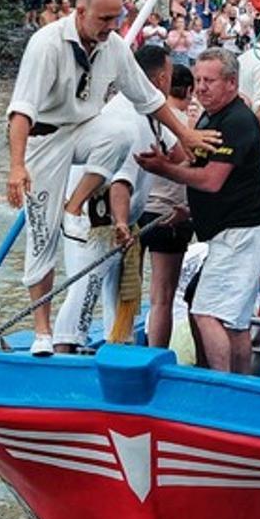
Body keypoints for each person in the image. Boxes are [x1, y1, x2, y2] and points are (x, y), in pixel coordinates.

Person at [5, 0, 218, 357]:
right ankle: (43, 333)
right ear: (80, 12)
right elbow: (21, 111)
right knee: (41, 239)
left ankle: (75, 204)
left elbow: (150, 99)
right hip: (44, 139)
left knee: (117, 133)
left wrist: (186, 135)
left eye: (116, 19)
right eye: (104, 19)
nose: (111, 27)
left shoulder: (114, 47)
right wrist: (16, 166)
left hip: (85, 130)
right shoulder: (47, 44)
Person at [134, 49, 260, 373]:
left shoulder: (237, 121)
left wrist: (163, 171)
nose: (201, 88)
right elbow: (191, 159)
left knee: (206, 313)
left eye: (209, 81)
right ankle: (239, 385)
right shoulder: (211, 116)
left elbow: (211, 181)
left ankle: (219, 383)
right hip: (229, 233)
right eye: (197, 80)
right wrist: (168, 162)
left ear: (232, 83)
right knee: (234, 322)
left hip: (241, 235)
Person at [52, 46, 176, 353]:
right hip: (96, 218)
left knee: (117, 288)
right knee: (86, 286)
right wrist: (121, 223)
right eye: (171, 76)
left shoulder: (150, 112)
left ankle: (116, 344)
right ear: (161, 79)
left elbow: (180, 153)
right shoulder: (125, 117)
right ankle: (64, 349)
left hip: (122, 218)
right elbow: (120, 182)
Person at [138, 63, 195, 349]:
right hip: (170, 216)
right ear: (189, 90)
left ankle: (121, 344)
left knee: (125, 290)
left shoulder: (145, 116)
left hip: (137, 212)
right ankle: (155, 353)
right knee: (162, 297)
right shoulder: (189, 127)